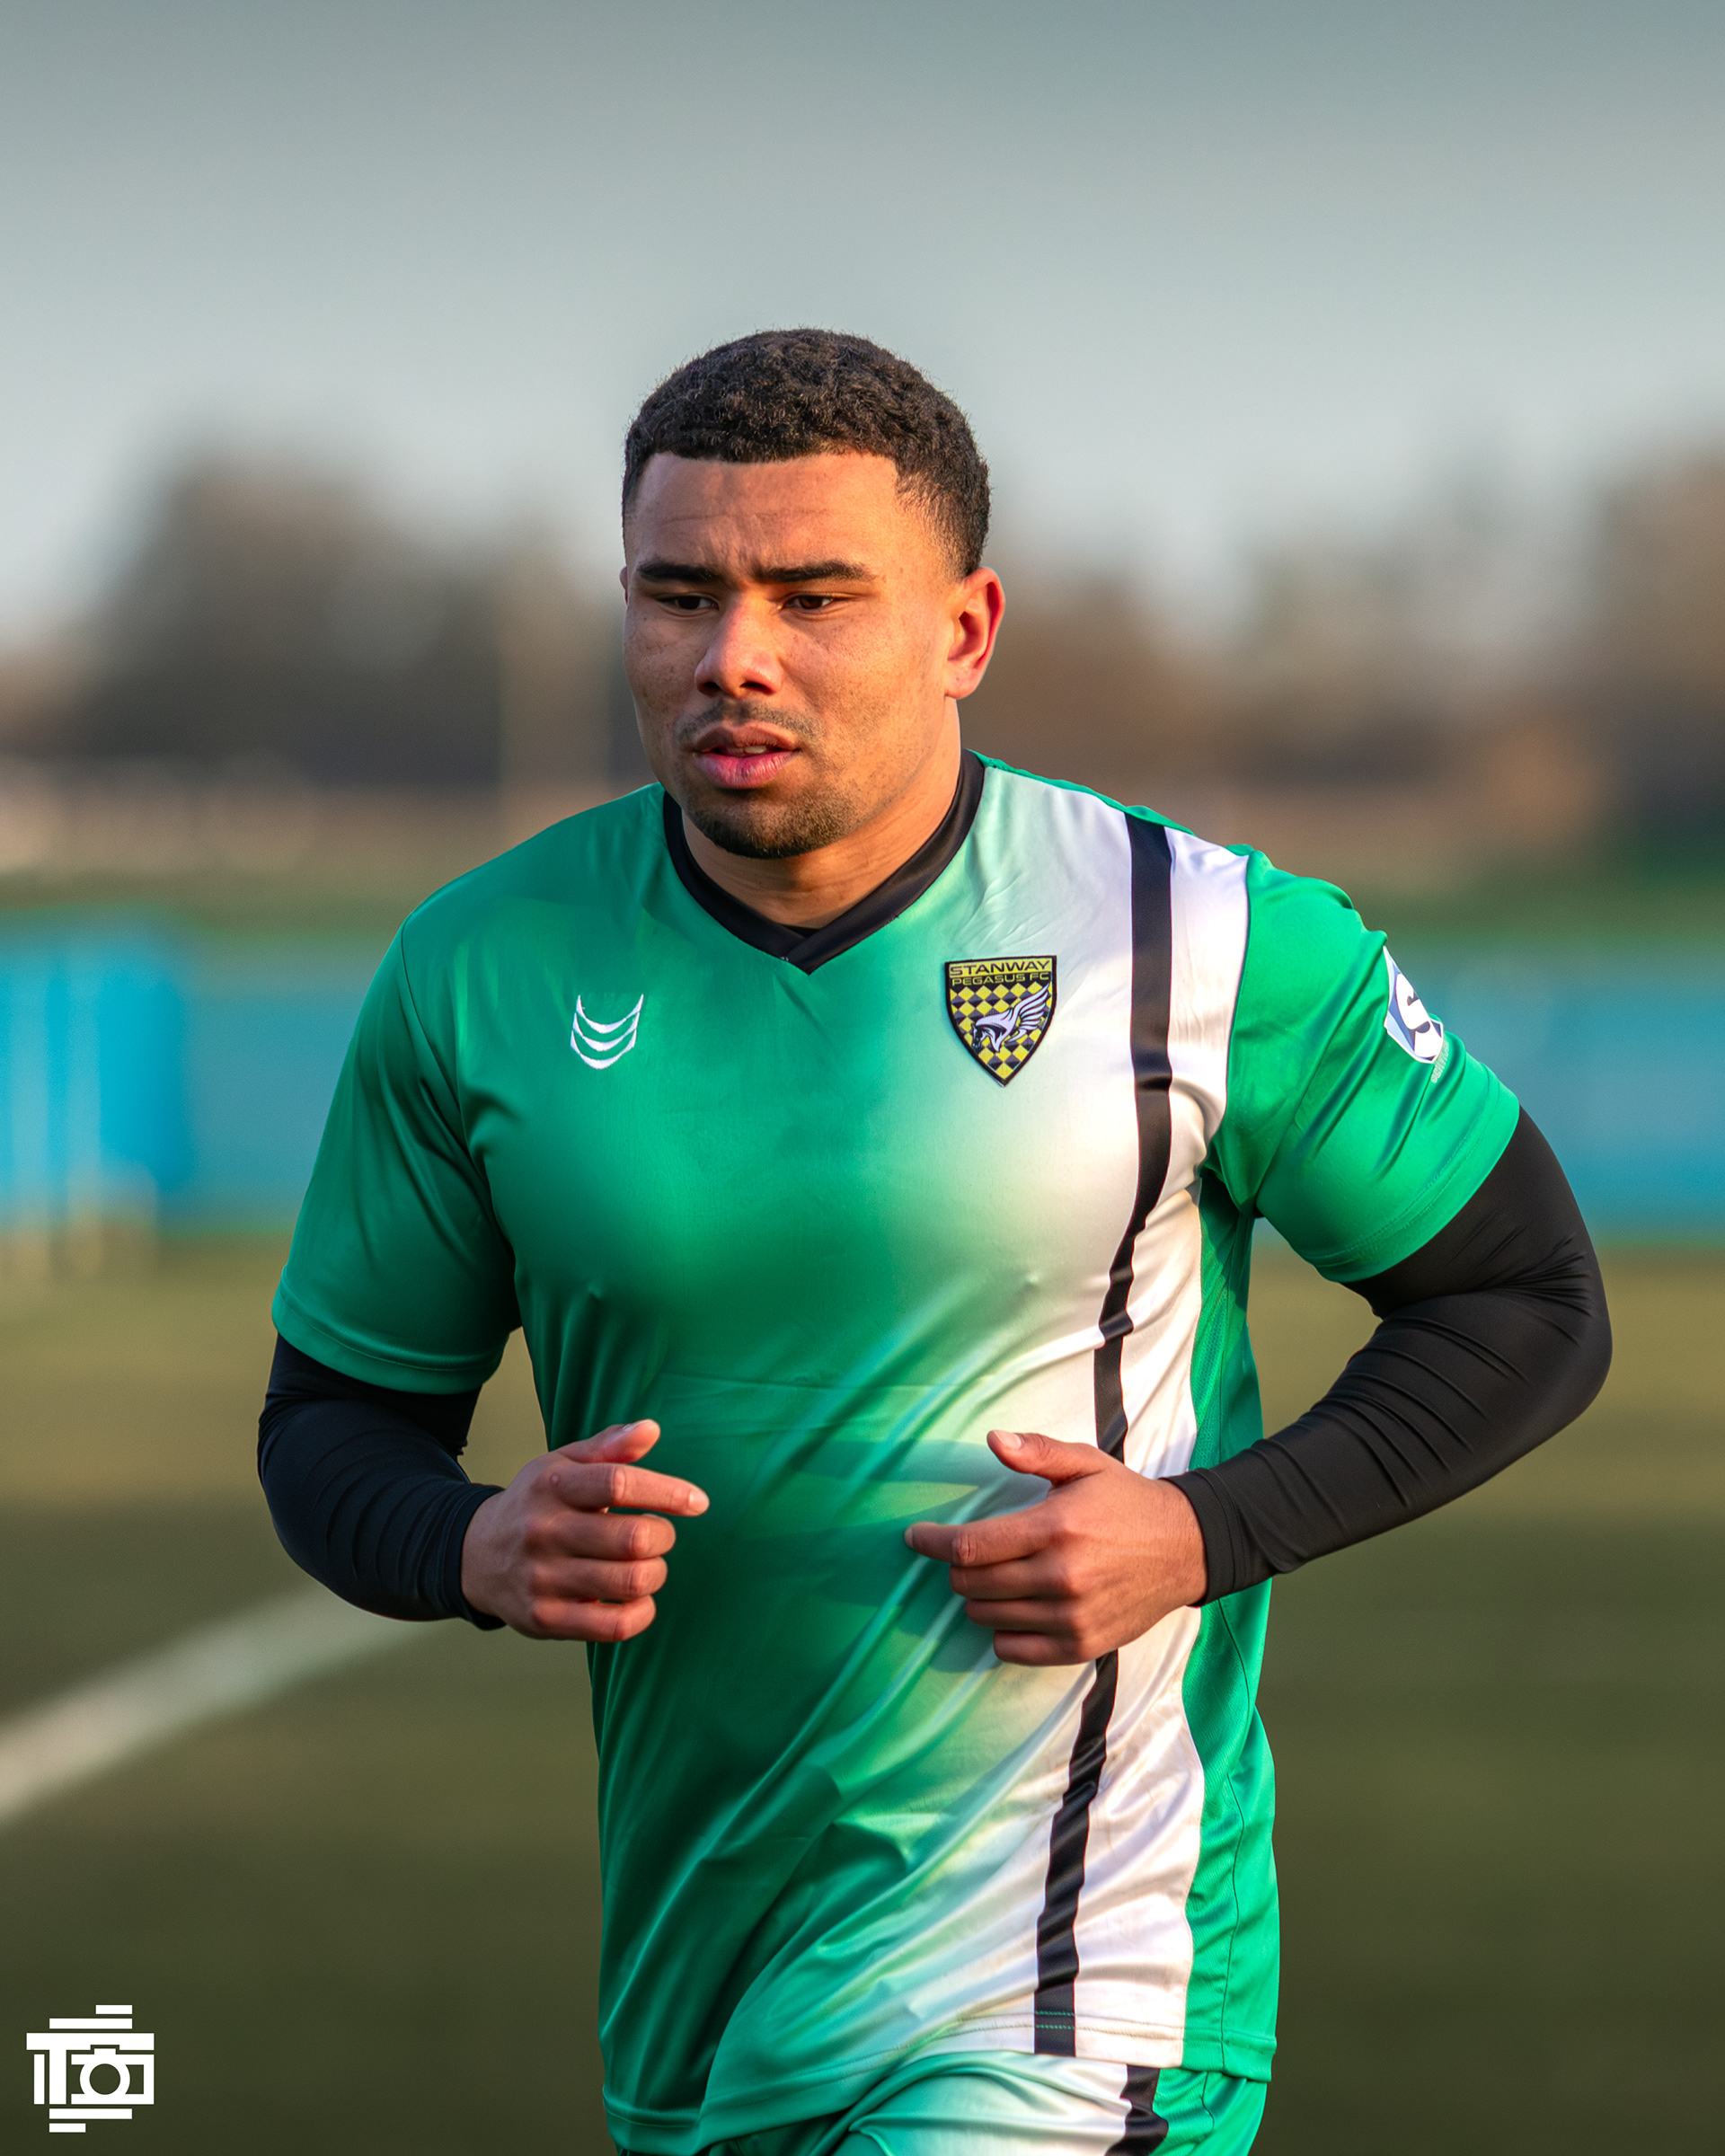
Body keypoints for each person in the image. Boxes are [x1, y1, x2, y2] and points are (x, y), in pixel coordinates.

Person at [259, 330, 1611, 2156]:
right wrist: (471, 1542)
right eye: (680, 594)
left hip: (1073, 1976)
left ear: (965, 631)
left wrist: (1200, 1534)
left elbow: (1524, 1299)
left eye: (815, 598)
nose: (735, 655)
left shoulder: (1195, 935)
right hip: (700, 1995)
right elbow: (333, 1422)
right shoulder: (478, 966)